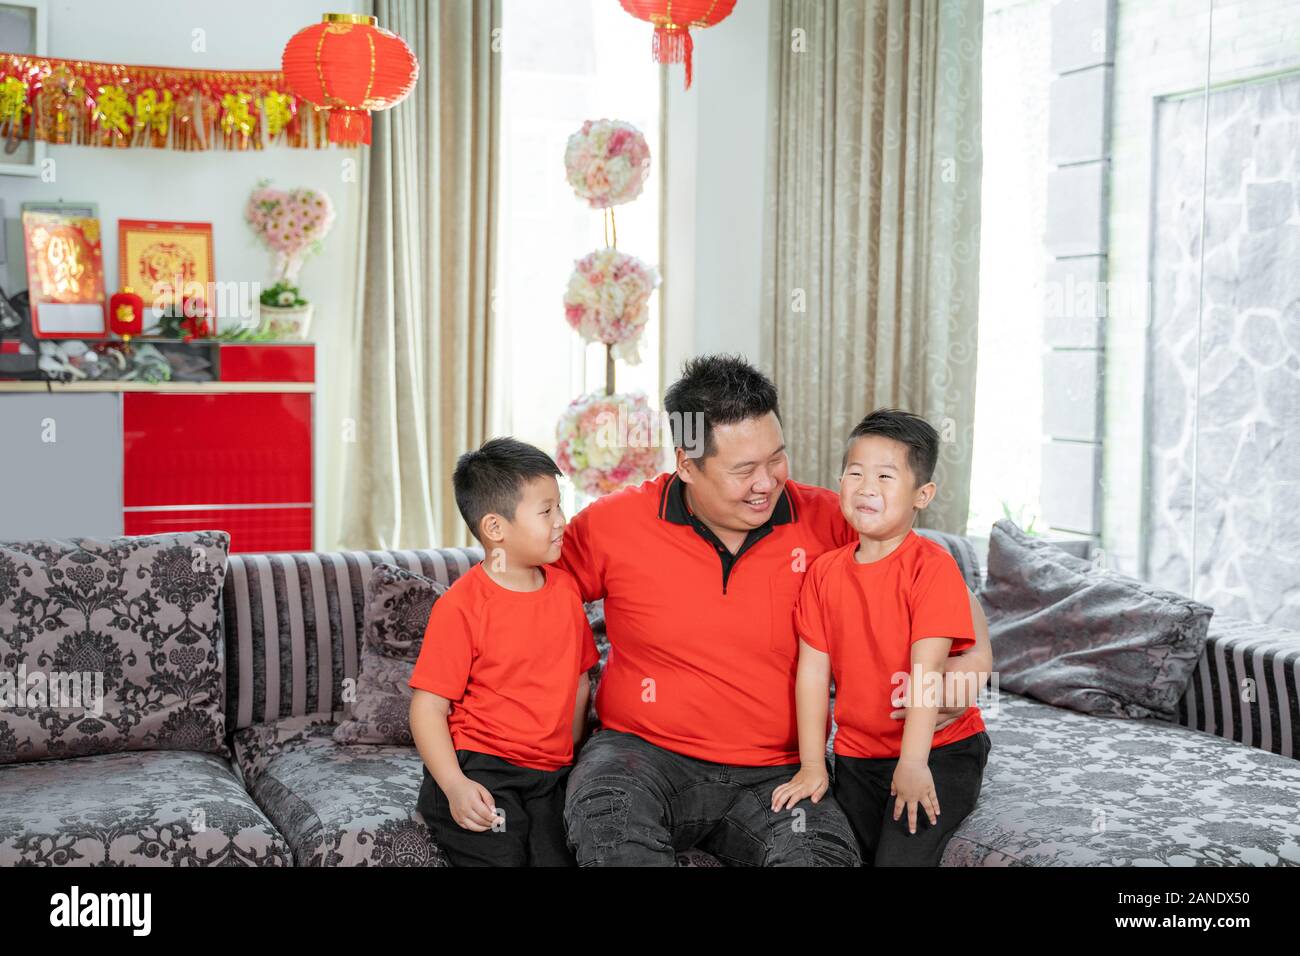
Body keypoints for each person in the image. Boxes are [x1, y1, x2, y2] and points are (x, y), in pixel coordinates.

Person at [555, 355, 992, 865]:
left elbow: (942, 590)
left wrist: (972, 666)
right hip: (641, 755)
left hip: (779, 774)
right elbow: (527, 590)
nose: (767, 482)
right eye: (744, 470)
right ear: (687, 464)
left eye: (776, 459)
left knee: (822, 857)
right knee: (607, 824)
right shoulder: (615, 524)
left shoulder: (833, 520)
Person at [771, 409, 992, 865]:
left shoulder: (931, 568)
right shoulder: (824, 573)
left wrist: (913, 764)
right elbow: (813, 673)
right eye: (855, 473)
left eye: (886, 476)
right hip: (856, 757)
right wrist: (813, 765)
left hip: (939, 751)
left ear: (922, 495)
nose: (866, 487)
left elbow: (926, 672)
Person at [409, 437, 599, 866]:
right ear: (496, 528)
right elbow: (427, 708)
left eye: (560, 507)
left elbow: (579, 678)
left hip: (550, 774)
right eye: (546, 511)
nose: (562, 521)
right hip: (481, 767)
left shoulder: (566, 591)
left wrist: (566, 753)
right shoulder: (461, 606)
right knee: (500, 853)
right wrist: (455, 786)